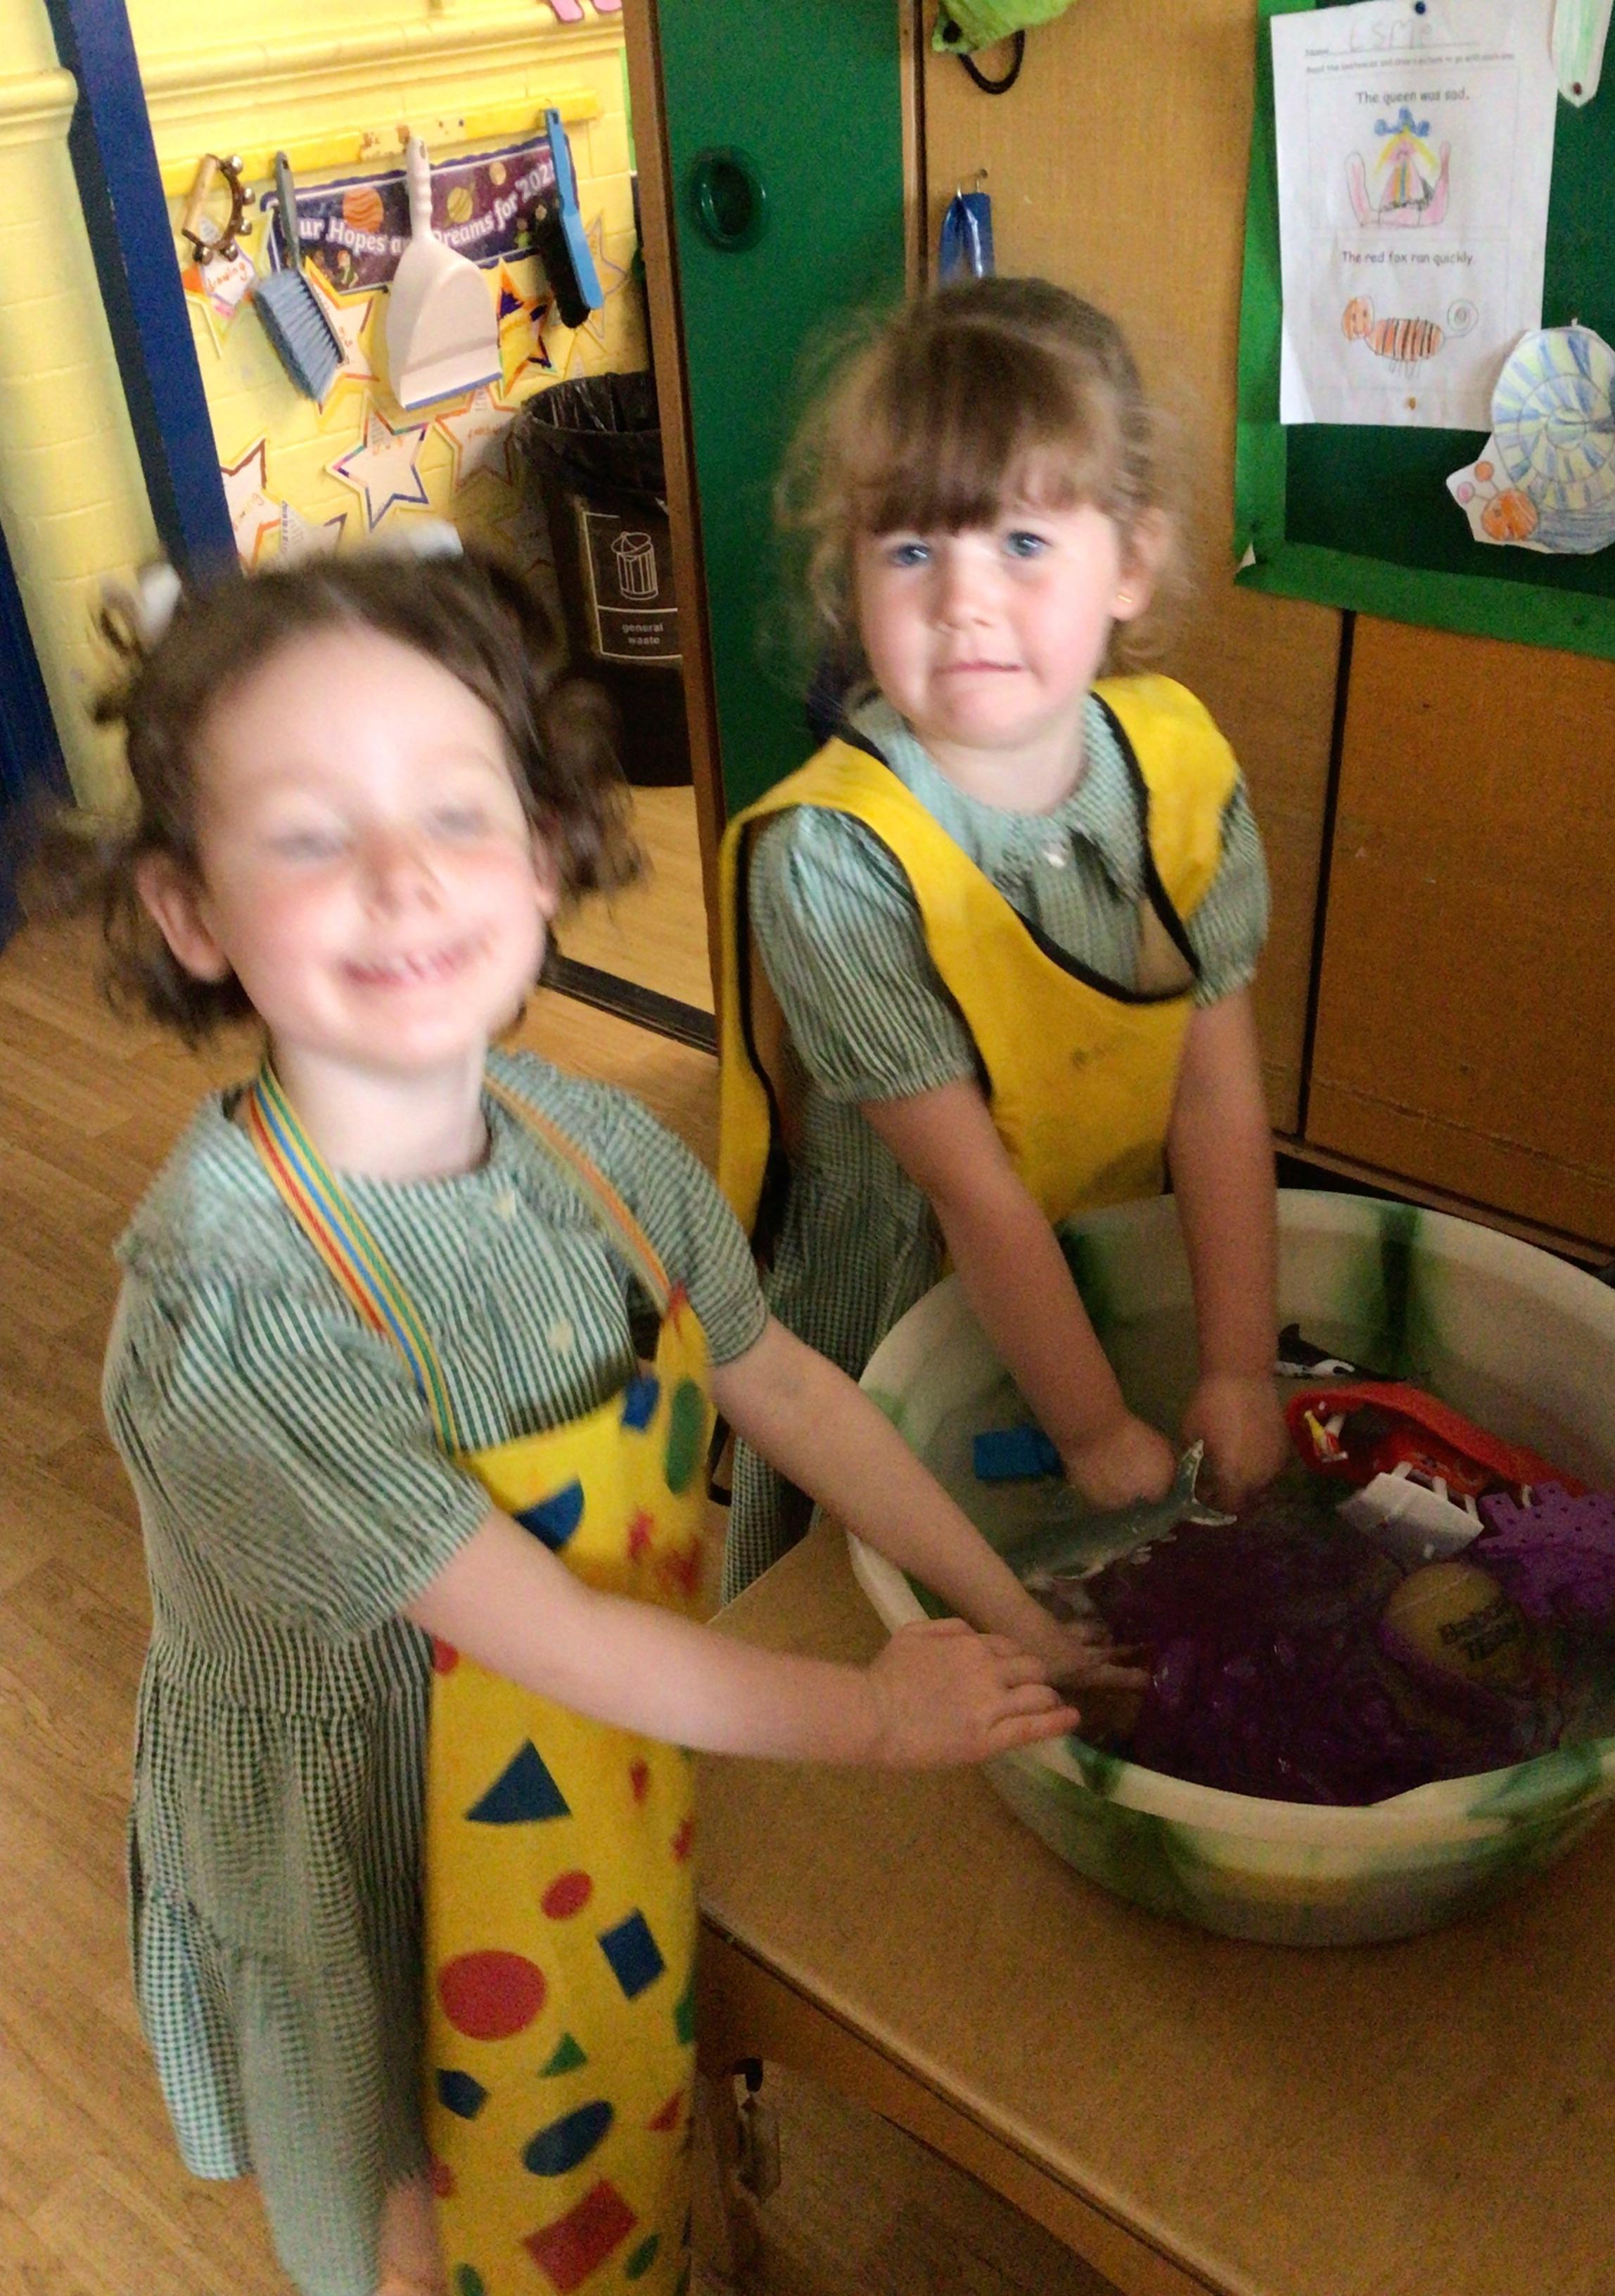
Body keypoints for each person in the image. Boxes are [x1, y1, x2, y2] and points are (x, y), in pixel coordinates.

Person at [56, 549, 1098, 2296]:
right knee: (435, 2239)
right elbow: (542, 1634)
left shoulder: (596, 1150)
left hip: (595, 1767)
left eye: (457, 813)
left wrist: (1010, 1611)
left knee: (612, 2117)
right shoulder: (233, 1310)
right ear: (192, 914)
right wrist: (871, 1713)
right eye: (309, 836)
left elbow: (794, 1393)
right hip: (371, 1847)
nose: (402, 879)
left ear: (544, 856)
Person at [718, 276, 1288, 1601]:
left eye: (1023, 542)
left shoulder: (1180, 771)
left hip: (1097, 1239)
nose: (963, 603)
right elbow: (970, 1198)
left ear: (1129, 563)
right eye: (911, 552)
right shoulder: (834, 862)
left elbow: (1215, 1097)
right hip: (905, 1288)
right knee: (880, 1600)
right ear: (851, 572)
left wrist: (1238, 1365)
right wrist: (1088, 1430)